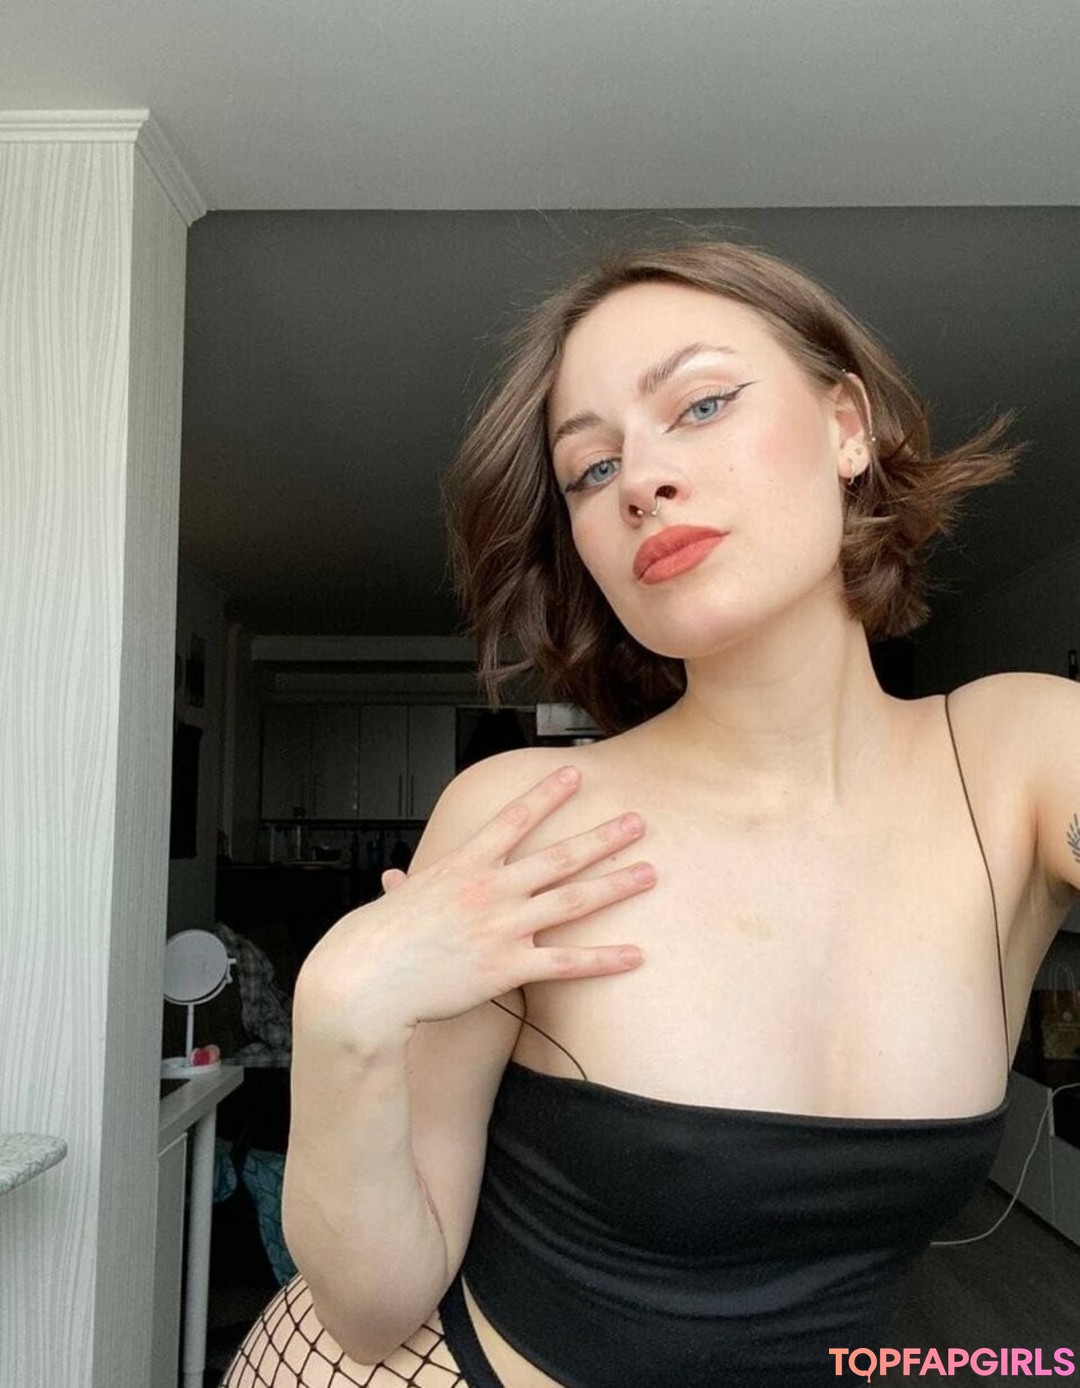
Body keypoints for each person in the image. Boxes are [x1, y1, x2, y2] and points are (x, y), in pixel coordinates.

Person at [221, 240, 1080, 1388]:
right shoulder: (524, 813)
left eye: (703, 404)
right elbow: (374, 1306)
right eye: (591, 469)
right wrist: (336, 1018)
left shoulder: (1018, 756)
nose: (639, 481)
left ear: (846, 427)